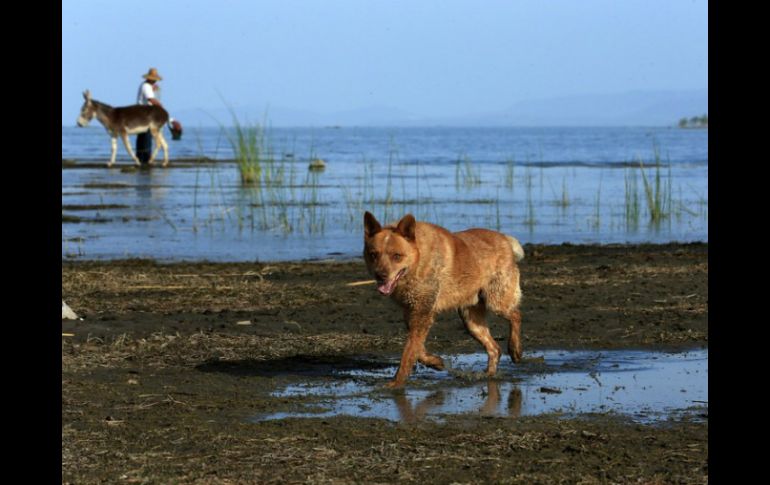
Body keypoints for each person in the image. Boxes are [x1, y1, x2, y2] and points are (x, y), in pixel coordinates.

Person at [136, 67, 164, 164]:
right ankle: (146, 158)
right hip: (145, 114)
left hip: (141, 113)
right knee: (146, 136)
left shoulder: (146, 86)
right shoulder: (146, 86)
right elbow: (151, 100)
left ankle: (140, 157)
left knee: (142, 136)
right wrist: (161, 107)